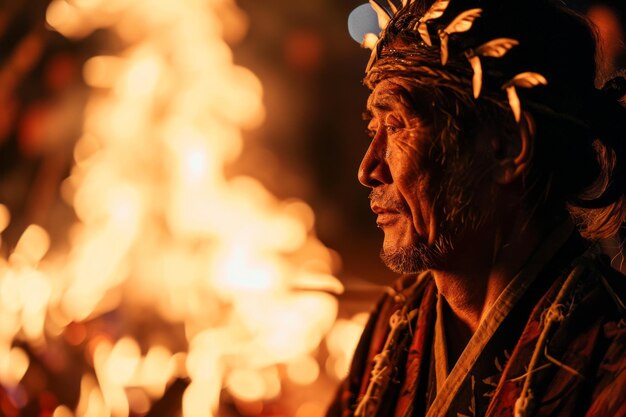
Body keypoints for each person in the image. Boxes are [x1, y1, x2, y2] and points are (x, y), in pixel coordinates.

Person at [328, 0, 626, 416]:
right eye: (372, 129)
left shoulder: (610, 353)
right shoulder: (394, 322)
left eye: (395, 127)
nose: (369, 169)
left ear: (507, 147)